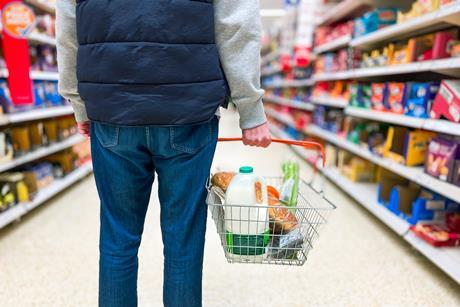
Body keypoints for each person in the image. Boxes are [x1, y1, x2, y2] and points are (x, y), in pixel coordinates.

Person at [56, 1, 271, 306]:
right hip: (188, 110)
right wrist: (250, 108)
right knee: (182, 239)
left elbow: (67, 30)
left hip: (113, 110)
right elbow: (236, 25)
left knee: (119, 238)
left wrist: (80, 104)